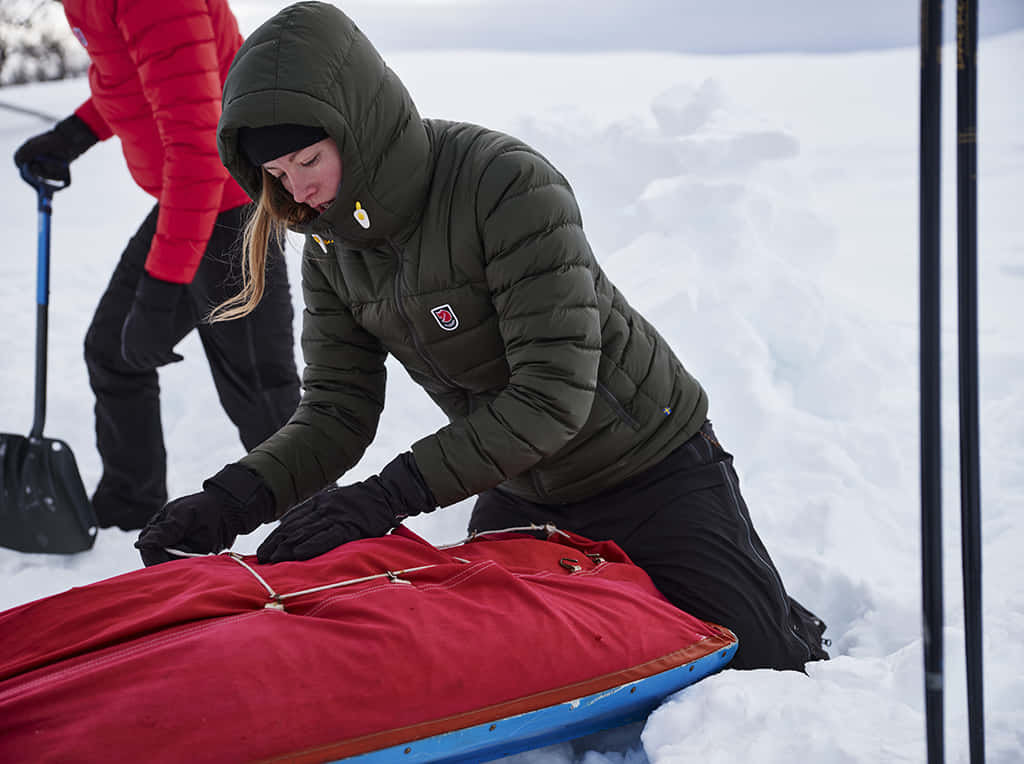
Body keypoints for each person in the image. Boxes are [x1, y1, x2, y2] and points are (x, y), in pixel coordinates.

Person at [136, 1, 829, 671]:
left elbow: (552, 396)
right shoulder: (330, 245)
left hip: (649, 466)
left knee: (759, 661)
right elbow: (337, 409)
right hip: (524, 486)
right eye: (277, 175)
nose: (297, 191)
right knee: (506, 668)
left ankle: (769, 602)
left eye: (308, 160)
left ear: (357, 126)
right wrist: (233, 500)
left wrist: (384, 497)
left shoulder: (504, 184)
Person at [12, 0, 301, 531]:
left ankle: (320, 532)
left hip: (230, 198)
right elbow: (143, 81)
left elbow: (199, 147)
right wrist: (76, 132)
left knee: (261, 391)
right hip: (190, 198)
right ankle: (131, 502)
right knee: (114, 351)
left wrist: (161, 290)